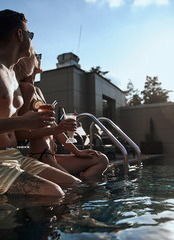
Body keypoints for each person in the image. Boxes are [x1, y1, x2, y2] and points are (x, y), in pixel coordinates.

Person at [0, 9, 81, 197]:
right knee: (54, 193)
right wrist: (23, 121)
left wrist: (43, 126)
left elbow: (18, 133)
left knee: (75, 185)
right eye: (30, 35)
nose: (31, 41)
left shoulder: (12, 77)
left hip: (14, 157)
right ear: (20, 35)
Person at [15, 47, 109, 179]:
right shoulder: (27, 89)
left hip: (52, 157)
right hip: (40, 158)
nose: (40, 59)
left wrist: (77, 151)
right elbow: (19, 133)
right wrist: (57, 128)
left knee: (101, 159)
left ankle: (84, 183)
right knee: (75, 186)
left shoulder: (38, 91)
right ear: (27, 62)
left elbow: (55, 129)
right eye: (37, 56)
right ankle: (82, 186)